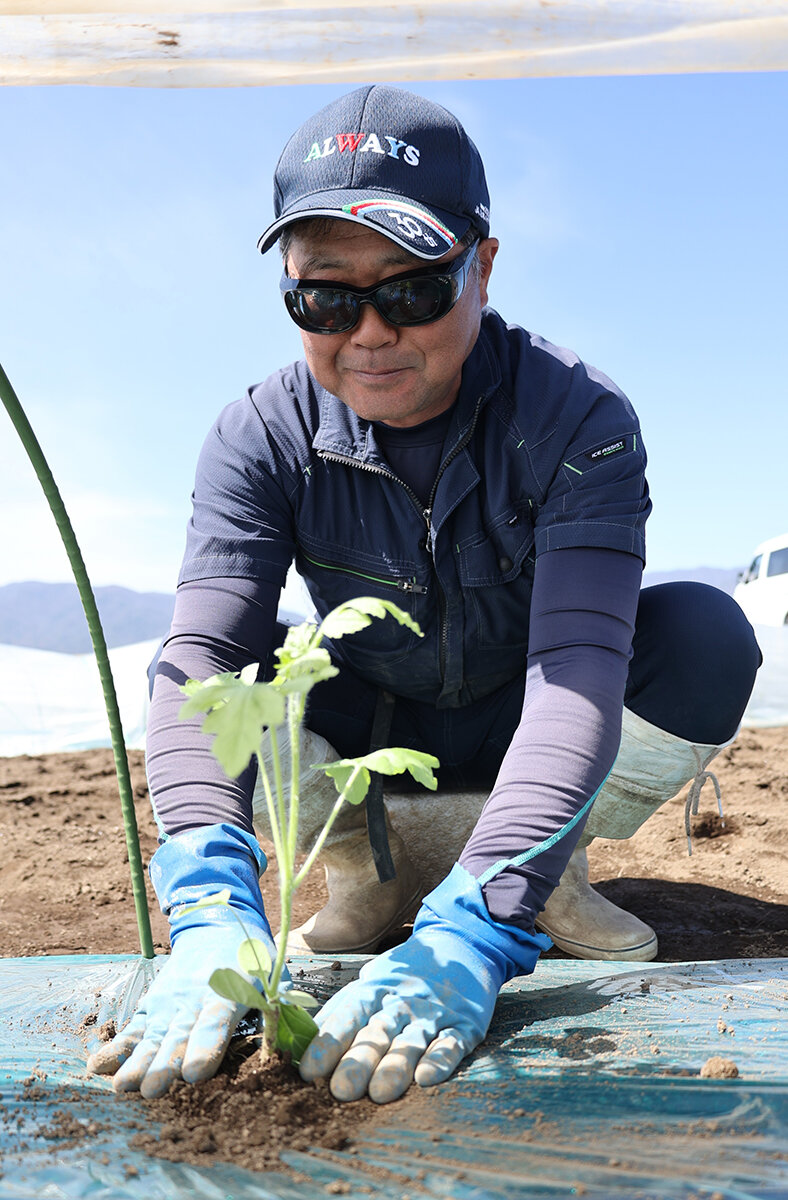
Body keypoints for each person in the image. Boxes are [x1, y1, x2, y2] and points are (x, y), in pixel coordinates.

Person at [88, 84, 761, 1106]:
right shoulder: (258, 435)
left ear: (480, 267)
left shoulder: (573, 415)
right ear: (287, 287)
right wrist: (208, 898)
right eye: (322, 297)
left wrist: (477, 924)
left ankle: (537, 880)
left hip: (521, 716)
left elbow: (577, 667)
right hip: (375, 726)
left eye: (409, 291)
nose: (367, 332)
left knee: (701, 633)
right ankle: (362, 873)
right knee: (237, 669)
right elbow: (199, 661)